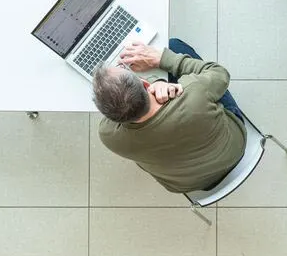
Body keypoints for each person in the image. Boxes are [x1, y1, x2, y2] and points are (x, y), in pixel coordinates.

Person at [92, 38, 245, 194]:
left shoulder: (109, 137)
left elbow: (109, 120)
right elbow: (219, 73)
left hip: (187, 184)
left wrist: (154, 83)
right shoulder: (192, 92)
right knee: (173, 45)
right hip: (235, 149)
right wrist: (160, 66)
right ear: (145, 85)